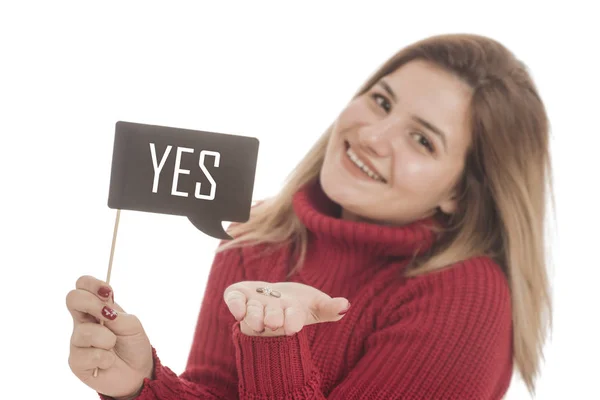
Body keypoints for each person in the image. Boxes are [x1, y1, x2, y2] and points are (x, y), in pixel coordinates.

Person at [66, 33, 553, 399]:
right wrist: (140, 384)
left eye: (422, 139)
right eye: (381, 101)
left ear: (461, 195)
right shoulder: (257, 237)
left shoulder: (465, 297)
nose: (373, 137)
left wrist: (275, 341)